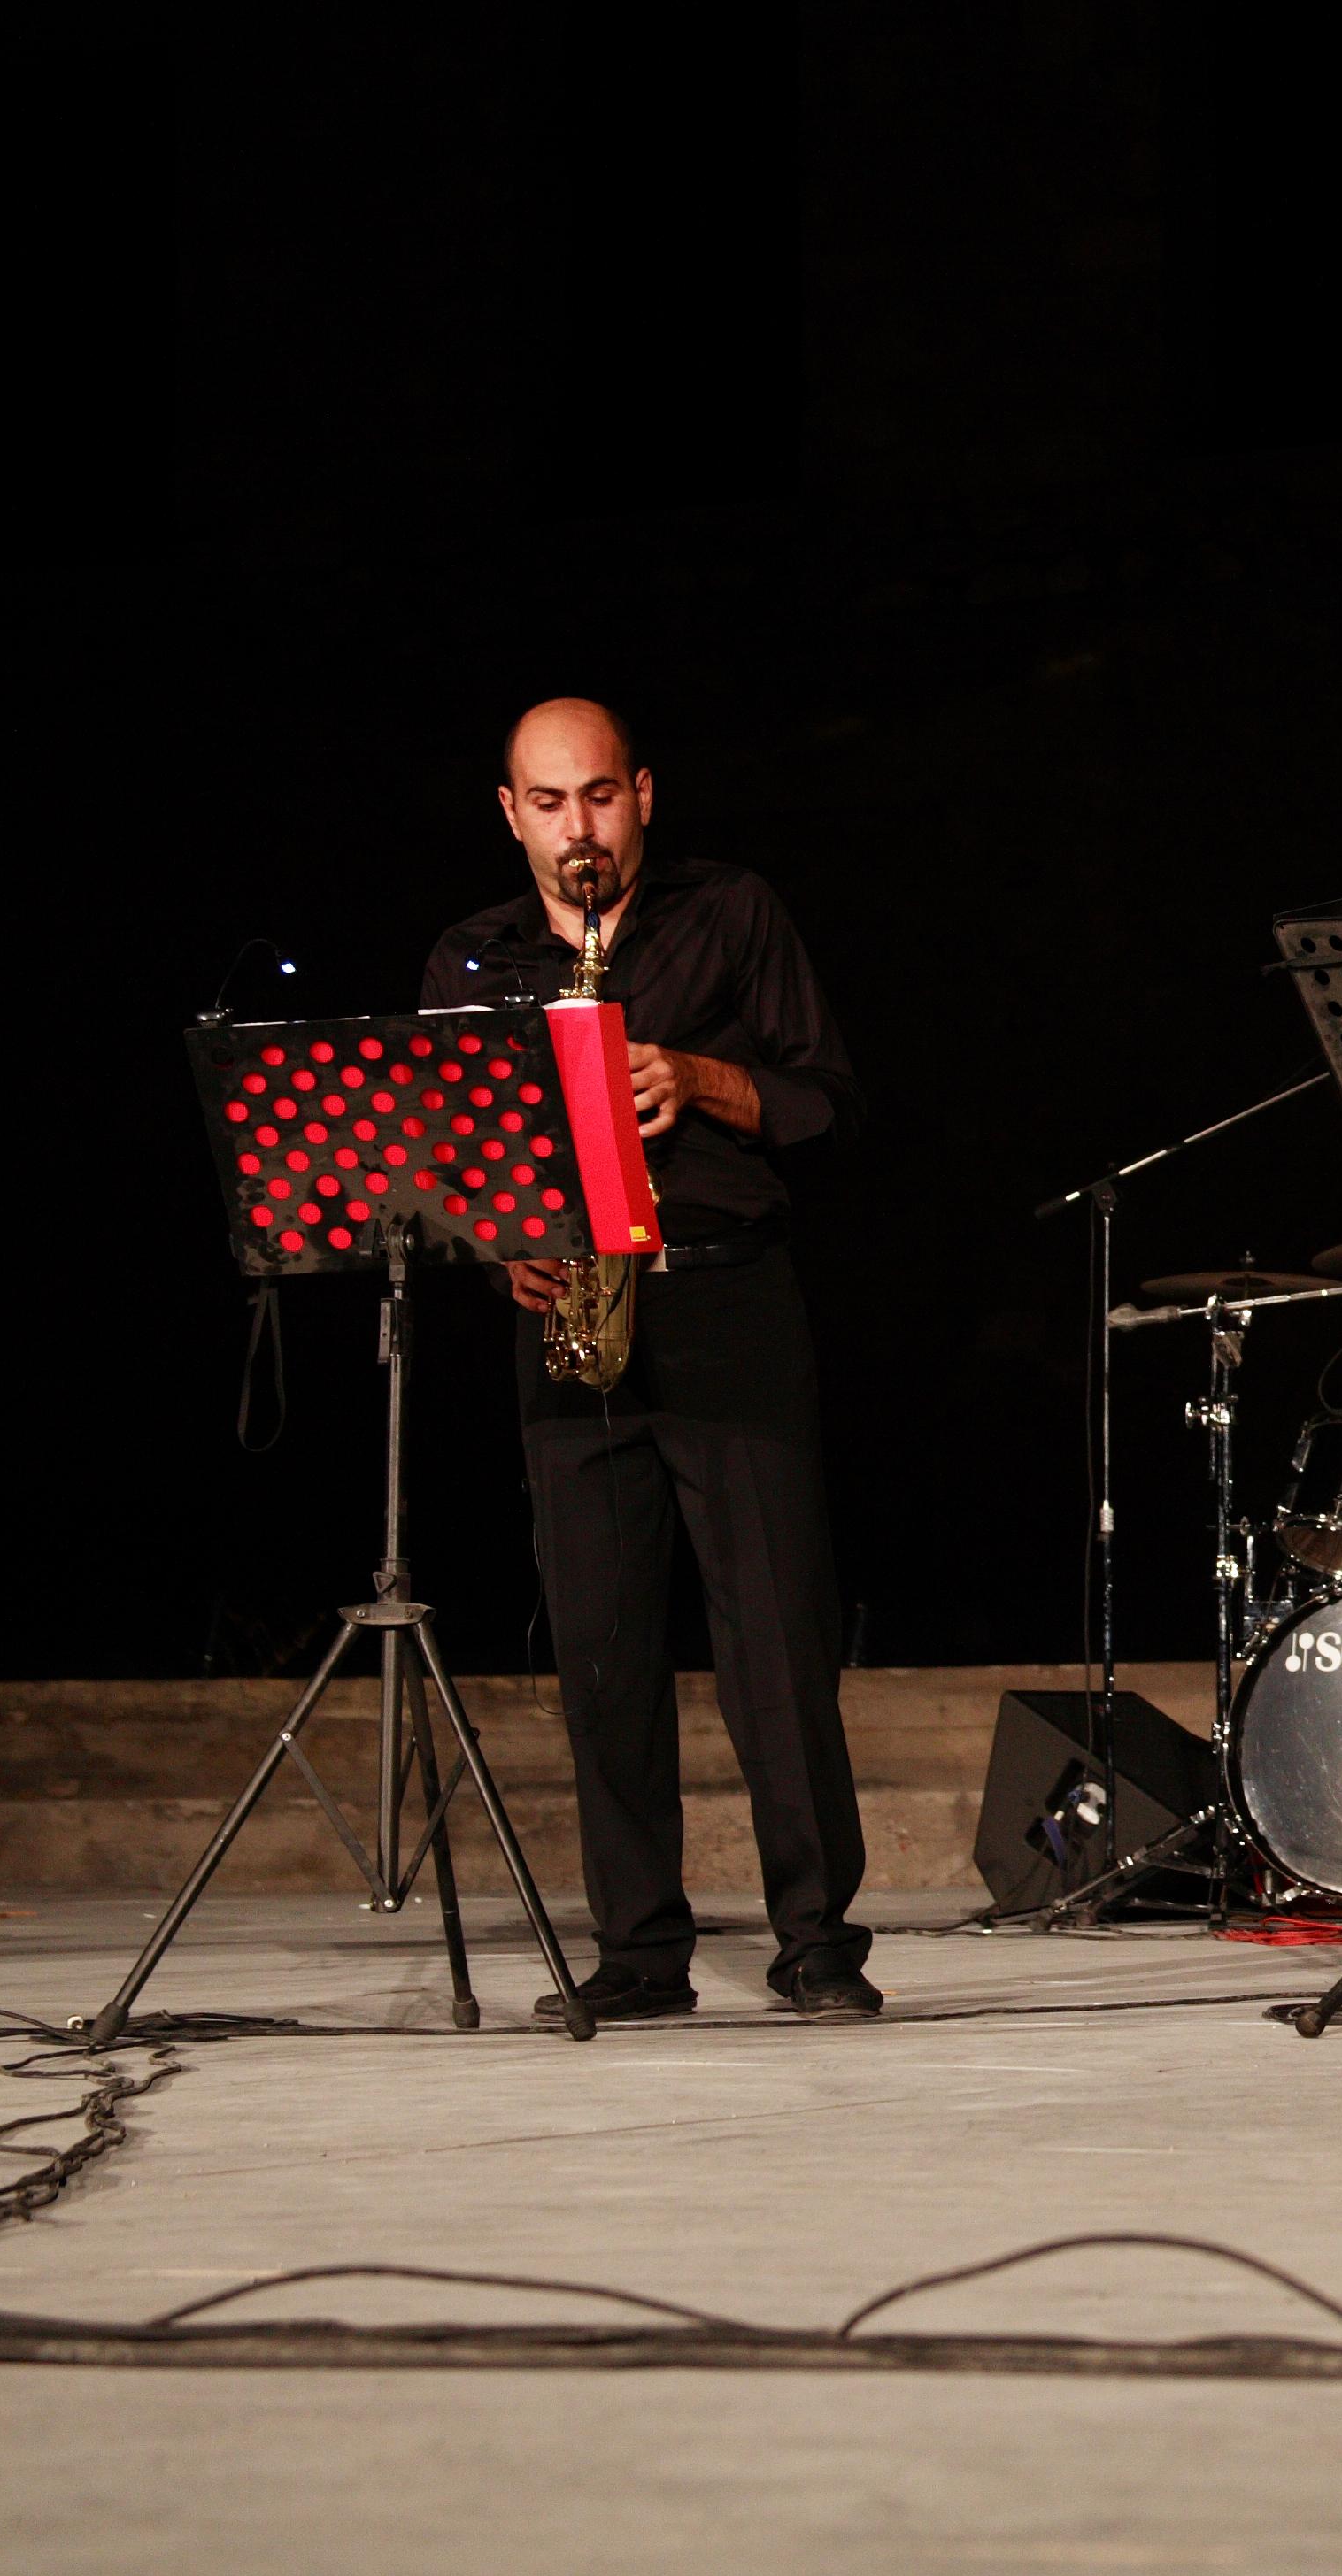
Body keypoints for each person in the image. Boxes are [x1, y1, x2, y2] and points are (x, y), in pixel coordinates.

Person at [424, 697, 882, 2023]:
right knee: (603, 1656)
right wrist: (494, 1245)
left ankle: (818, 1946)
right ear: (511, 814)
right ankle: (638, 1953)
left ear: (642, 794)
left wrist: (699, 1078)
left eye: (600, 796)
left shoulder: (729, 911)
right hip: (572, 1321)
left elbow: (829, 1102)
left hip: (726, 1301)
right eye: (549, 802)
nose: (579, 827)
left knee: (776, 1645)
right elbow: (445, 1162)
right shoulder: (472, 957)